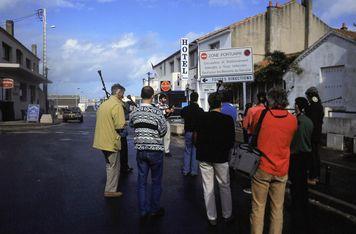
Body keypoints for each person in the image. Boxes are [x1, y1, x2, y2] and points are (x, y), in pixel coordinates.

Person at [250, 88, 297, 234]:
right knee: (277, 209)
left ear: (270, 99)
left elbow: (252, 130)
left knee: (258, 208)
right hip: (282, 168)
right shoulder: (292, 120)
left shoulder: (262, 114)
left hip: (262, 167)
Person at [195, 93, 235, 226]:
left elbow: (196, 137)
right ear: (221, 104)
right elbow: (231, 141)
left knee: (208, 187)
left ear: (209, 103)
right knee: (224, 185)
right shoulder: (227, 120)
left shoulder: (201, 118)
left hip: (204, 156)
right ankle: (227, 214)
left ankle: (212, 217)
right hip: (221, 157)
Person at [130, 86, 167, 222]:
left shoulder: (135, 112)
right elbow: (163, 130)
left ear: (141, 95)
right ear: (152, 97)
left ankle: (143, 211)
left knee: (142, 182)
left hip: (141, 151)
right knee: (156, 182)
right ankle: (154, 209)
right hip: (155, 151)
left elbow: (132, 126)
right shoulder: (157, 112)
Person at [93, 84, 126, 198]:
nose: (123, 96)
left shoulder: (104, 104)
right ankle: (111, 190)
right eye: (122, 93)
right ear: (118, 92)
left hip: (101, 140)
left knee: (109, 165)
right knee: (114, 166)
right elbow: (120, 126)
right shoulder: (117, 105)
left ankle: (109, 188)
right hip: (111, 141)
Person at [290, 97, 314, 233]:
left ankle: (295, 206)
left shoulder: (295, 121)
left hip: (295, 154)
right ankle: (304, 203)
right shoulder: (309, 121)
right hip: (307, 154)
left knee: (295, 181)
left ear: (298, 106)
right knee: (303, 181)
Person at [242, 92, 266, 195]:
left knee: (253, 163)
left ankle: (254, 186)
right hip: (266, 139)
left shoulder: (252, 110)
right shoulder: (269, 111)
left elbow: (245, 125)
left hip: (254, 137)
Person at [180, 92, 204, 176]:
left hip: (188, 132)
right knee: (195, 151)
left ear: (190, 98)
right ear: (197, 99)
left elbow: (182, 115)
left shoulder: (186, 109)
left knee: (187, 150)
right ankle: (194, 171)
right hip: (197, 133)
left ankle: (186, 170)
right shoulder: (200, 110)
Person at [305, 87, 324, 185]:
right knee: (316, 156)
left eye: (308, 96)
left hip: (312, 135)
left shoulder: (312, 106)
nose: (307, 98)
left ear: (310, 95)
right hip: (318, 134)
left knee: (312, 157)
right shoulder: (319, 105)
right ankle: (317, 176)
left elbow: (310, 121)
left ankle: (313, 177)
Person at [120, 101, 133, 174]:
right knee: (123, 152)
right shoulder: (122, 107)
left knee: (122, 152)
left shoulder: (122, 105)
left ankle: (123, 167)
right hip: (121, 133)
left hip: (121, 132)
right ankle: (124, 168)